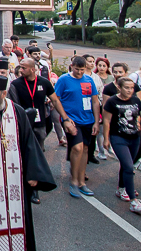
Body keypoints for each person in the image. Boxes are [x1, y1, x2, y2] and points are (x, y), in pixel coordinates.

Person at [0, 74, 56, 251]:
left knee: (20, 218)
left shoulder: (18, 112)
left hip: (17, 179)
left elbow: (30, 145)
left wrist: (33, 174)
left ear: (4, 93)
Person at [8, 58, 70, 205]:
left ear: (32, 69)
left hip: (39, 124)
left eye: (23, 68)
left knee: (37, 154)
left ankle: (34, 188)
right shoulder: (16, 84)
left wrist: (65, 118)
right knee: (22, 155)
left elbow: (55, 100)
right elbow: (13, 105)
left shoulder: (44, 83)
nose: (20, 70)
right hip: (22, 125)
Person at [103, 77, 141, 213]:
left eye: (132, 88)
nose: (130, 90)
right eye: (127, 88)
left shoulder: (136, 100)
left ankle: (121, 189)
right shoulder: (112, 101)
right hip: (118, 137)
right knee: (128, 167)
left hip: (134, 137)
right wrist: (106, 139)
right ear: (119, 88)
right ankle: (133, 201)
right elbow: (107, 121)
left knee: (127, 165)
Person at [54, 56, 99, 198]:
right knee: (77, 148)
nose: (79, 72)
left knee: (85, 149)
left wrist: (97, 122)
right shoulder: (63, 80)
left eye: (82, 70)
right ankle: (73, 181)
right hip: (72, 120)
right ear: (71, 66)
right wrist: (65, 119)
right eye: (76, 69)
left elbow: (95, 101)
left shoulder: (89, 80)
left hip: (88, 120)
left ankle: (81, 182)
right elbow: (56, 100)